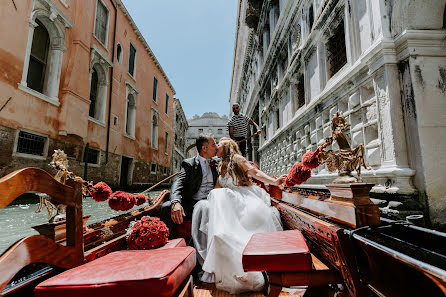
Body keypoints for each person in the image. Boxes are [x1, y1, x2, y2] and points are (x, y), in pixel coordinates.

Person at [192, 137, 286, 294]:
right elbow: (217, 187)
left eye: (218, 144)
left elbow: (255, 173)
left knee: (220, 196)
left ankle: (245, 266)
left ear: (227, 146)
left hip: (243, 197)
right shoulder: (221, 165)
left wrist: (274, 182)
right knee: (212, 200)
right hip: (227, 200)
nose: (215, 147)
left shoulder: (237, 158)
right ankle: (231, 266)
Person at [160, 134, 218, 239]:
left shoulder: (218, 163)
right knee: (166, 207)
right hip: (193, 204)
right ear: (204, 148)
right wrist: (175, 202)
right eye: (213, 145)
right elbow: (178, 183)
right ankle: (171, 242)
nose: (217, 147)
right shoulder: (189, 163)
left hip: (213, 202)